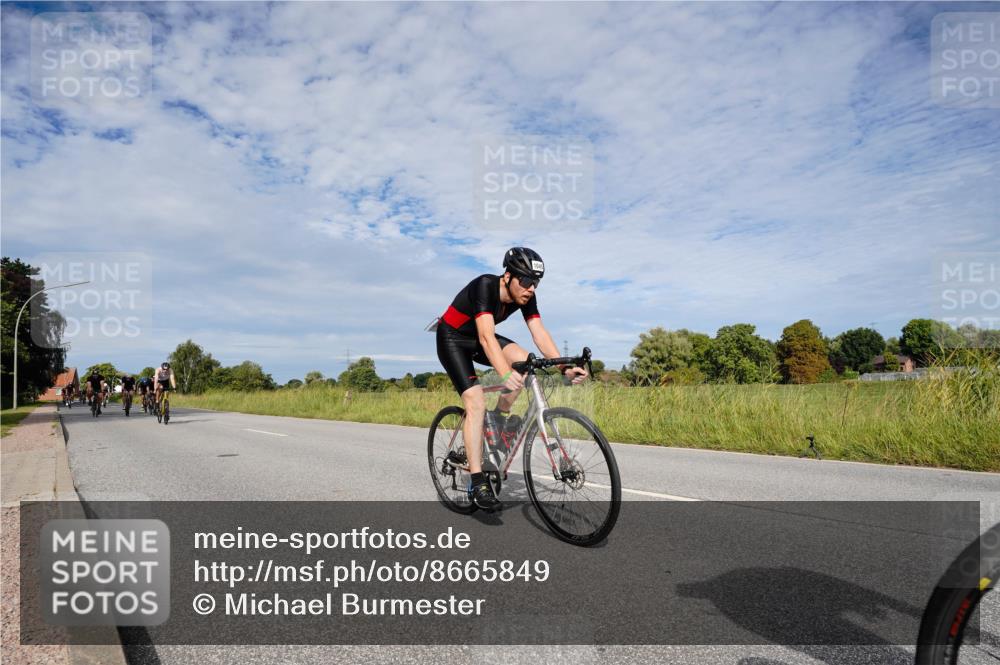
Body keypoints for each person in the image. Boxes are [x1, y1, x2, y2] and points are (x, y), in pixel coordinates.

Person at [435, 247, 587, 512]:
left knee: (526, 363)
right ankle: (477, 479)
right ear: (507, 276)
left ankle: (497, 419)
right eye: (526, 281)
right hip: (453, 338)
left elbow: (538, 332)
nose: (530, 288)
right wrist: (505, 374)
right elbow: (486, 336)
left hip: (481, 339)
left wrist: (564, 368)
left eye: (536, 282)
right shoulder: (485, 285)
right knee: (475, 402)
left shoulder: (528, 297)